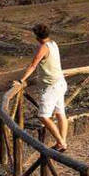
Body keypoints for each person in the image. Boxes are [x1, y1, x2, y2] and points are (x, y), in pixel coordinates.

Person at [15, 23, 69, 151]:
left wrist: (21, 80)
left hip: (52, 86)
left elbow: (33, 65)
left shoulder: (43, 47)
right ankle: (62, 142)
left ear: (37, 37)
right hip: (60, 82)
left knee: (43, 116)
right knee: (60, 113)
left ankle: (61, 143)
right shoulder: (54, 44)